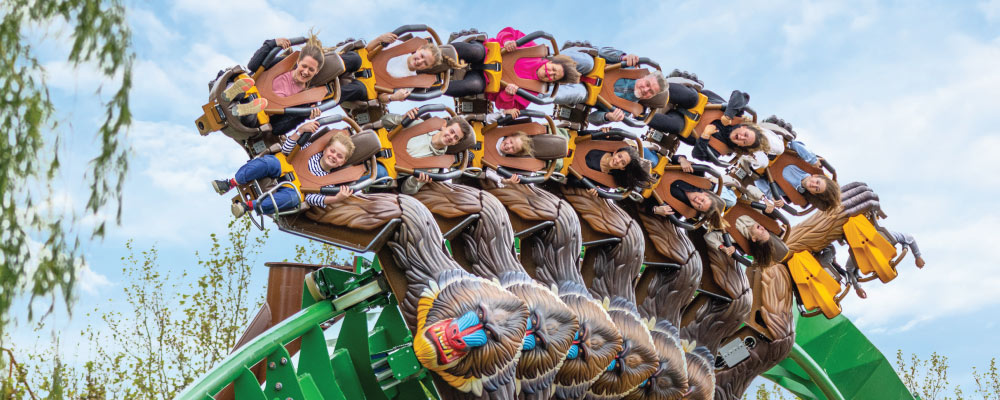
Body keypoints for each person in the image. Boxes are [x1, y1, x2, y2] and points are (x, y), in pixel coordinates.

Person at [212, 120, 355, 217]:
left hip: (295, 188)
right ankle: (230, 183)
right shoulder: (309, 150)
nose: (334, 156)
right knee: (269, 162)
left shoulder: (328, 182)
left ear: (342, 163)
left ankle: (247, 206)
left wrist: (336, 198)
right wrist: (299, 131)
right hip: (284, 167)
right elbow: (287, 149)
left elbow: (313, 199)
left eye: (339, 156)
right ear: (325, 149)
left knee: (293, 199)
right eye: (332, 151)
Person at [442, 27, 581, 108]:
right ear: (550, 62)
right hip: (487, 53)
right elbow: (507, 31)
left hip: (484, 80)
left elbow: (505, 106)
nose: (549, 73)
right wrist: (508, 41)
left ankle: (436, 88)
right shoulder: (533, 50)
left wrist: (508, 95)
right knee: (475, 51)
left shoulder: (532, 92)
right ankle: (437, 52)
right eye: (553, 69)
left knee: (473, 86)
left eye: (553, 76)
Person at [233, 33, 327, 135]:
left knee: (252, 117)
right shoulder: (283, 64)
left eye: (311, 70)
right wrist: (272, 43)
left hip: (256, 116)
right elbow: (253, 65)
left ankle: (245, 108)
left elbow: (277, 129)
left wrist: (304, 115)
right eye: (304, 66)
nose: (305, 72)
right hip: (245, 91)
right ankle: (239, 100)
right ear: (298, 61)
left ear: (317, 71)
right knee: (240, 83)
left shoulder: (304, 100)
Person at [337, 32, 468, 104]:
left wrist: (393, 98)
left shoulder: (410, 83)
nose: (420, 61)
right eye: (422, 56)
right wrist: (379, 39)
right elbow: (368, 51)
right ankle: (326, 66)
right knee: (354, 58)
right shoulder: (400, 46)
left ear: (427, 67)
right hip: (364, 63)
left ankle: (324, 97)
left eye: (425, 63)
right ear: (419, 49)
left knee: (356, 90)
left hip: (368, 86)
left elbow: (381, 97)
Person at [379, 111, 474, 194]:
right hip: (377, 144)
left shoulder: (434, 167)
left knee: (377, 172)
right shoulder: (419, 124)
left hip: (384, 170)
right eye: (451, 131)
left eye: (456, 138)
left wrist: (415, 180)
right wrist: (402, 119)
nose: (451, 137)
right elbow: (383, 121)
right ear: (444, 126)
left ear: (455, 143)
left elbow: (406, 190)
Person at [750, 140, 841, 211]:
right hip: (772, 144)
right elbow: (793, 143)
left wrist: (771, 196)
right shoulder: (806, 162)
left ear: (813, 193)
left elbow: (757, 180)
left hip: (756, 160)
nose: (813, 184)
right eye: (817, 182)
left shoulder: (788, 191)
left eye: (816, 189)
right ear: (816, 176)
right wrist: (812, 159)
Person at [704, 214, 788, 267]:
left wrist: (723, 248)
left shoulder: (735, 237)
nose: (762, 228)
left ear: (754, 238)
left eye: (761, 232)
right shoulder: (756, 216)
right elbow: (750, 189)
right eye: (764, 229)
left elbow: (709, 236)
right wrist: (763, 198)